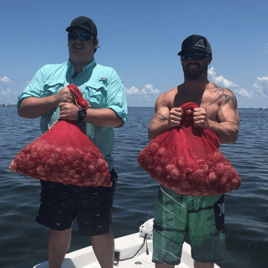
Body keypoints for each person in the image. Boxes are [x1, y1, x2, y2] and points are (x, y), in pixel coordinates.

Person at [17, 16, 127, 268]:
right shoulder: (47, 72)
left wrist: (82, 114)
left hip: (96, 169)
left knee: (100, 229)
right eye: (73, 36)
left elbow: (118, 118)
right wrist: (55, 98)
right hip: (55, 170)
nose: (78, 41)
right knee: (57, 227)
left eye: (85, 36)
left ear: (96, 43)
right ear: (68, 41)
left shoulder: (108, 75)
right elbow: (23, 108)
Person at [148, 35, 239, 268]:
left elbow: (232, 134)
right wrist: (168, 122)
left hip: (209, 188)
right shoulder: (168, 98)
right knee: (164, 256)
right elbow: (152, 134)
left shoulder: (223, 96)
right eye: (187, 56)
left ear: (209, 58)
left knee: (204, 257)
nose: (192, 60)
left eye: (198, 56)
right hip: (171, 187)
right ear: (181, 60)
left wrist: (210, 125)